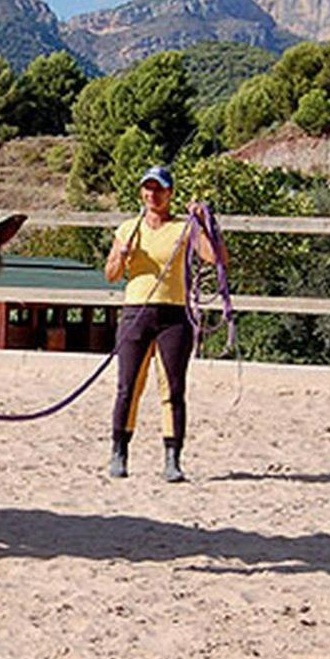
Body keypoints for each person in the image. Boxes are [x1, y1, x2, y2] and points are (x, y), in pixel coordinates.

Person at [103, 165, 229, 482]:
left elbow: (217, 258)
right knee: (127, 387)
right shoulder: (127, 229)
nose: (152, 195)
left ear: (169, 193)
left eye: (158, 189)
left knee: (172, 388)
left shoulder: (185, 228)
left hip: (174, 315)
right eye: (147, 188)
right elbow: (111, 274)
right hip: (135, 312)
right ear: (141, 193)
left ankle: (172, 458)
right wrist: (122, 254)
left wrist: (205, 222)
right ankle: (119, 452)